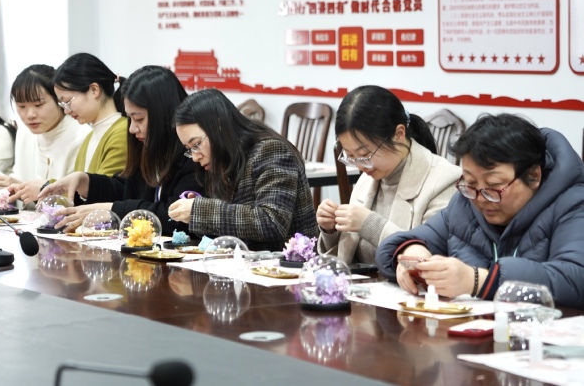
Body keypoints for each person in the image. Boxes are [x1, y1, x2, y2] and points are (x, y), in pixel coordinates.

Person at [376, 114, 584, 309]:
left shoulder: (572, 204)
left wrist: (478, 281)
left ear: (534, 176)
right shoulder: (465, 204)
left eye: (494, 185)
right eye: (470, 183)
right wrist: (411, 252)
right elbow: (396, 245)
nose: (481, 198)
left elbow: (576, 279)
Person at [41, 66, 203, 236]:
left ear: (163, 113)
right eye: (129, 118)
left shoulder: (195, 155)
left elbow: (178, 216)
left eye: (139, 118)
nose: (132, 128)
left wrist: (114, 209)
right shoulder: (145, 147)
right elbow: (126, 189)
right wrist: (86, 182)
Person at [317, 86, 461, 265]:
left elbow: (429, 260)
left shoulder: (445, 180)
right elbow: (347, 261)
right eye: (351, 156)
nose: (360, 166)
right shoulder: (368, 178)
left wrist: (370, 225)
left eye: (365, 154)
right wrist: (330, 231)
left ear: (399, 134)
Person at [167, 88, 318, 251]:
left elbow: (272, 222)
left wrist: (201, 211)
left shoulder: (271, 150)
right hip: (244, 262)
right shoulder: (222, 161)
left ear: (219, 126)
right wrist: (196, 212)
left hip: (286, 263)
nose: (195, 157)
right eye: (189, 149)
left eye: (197, 144)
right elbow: (233, 227)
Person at [0, 64, 89, 204]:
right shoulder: (25, 132)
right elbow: (21, 182)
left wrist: (28, 189)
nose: (30, 115)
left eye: (38, 105)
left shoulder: (81, 136)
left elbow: (78, 200)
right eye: (22, 106)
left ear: (59, 100)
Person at [52, 53, 128, 176]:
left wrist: (47, 185)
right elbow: (77, 187)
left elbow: (102, 186)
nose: (66, 111)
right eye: (63, 105)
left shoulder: (122, 133)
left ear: (94, 90)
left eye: (68, 102)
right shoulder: (88, 139)